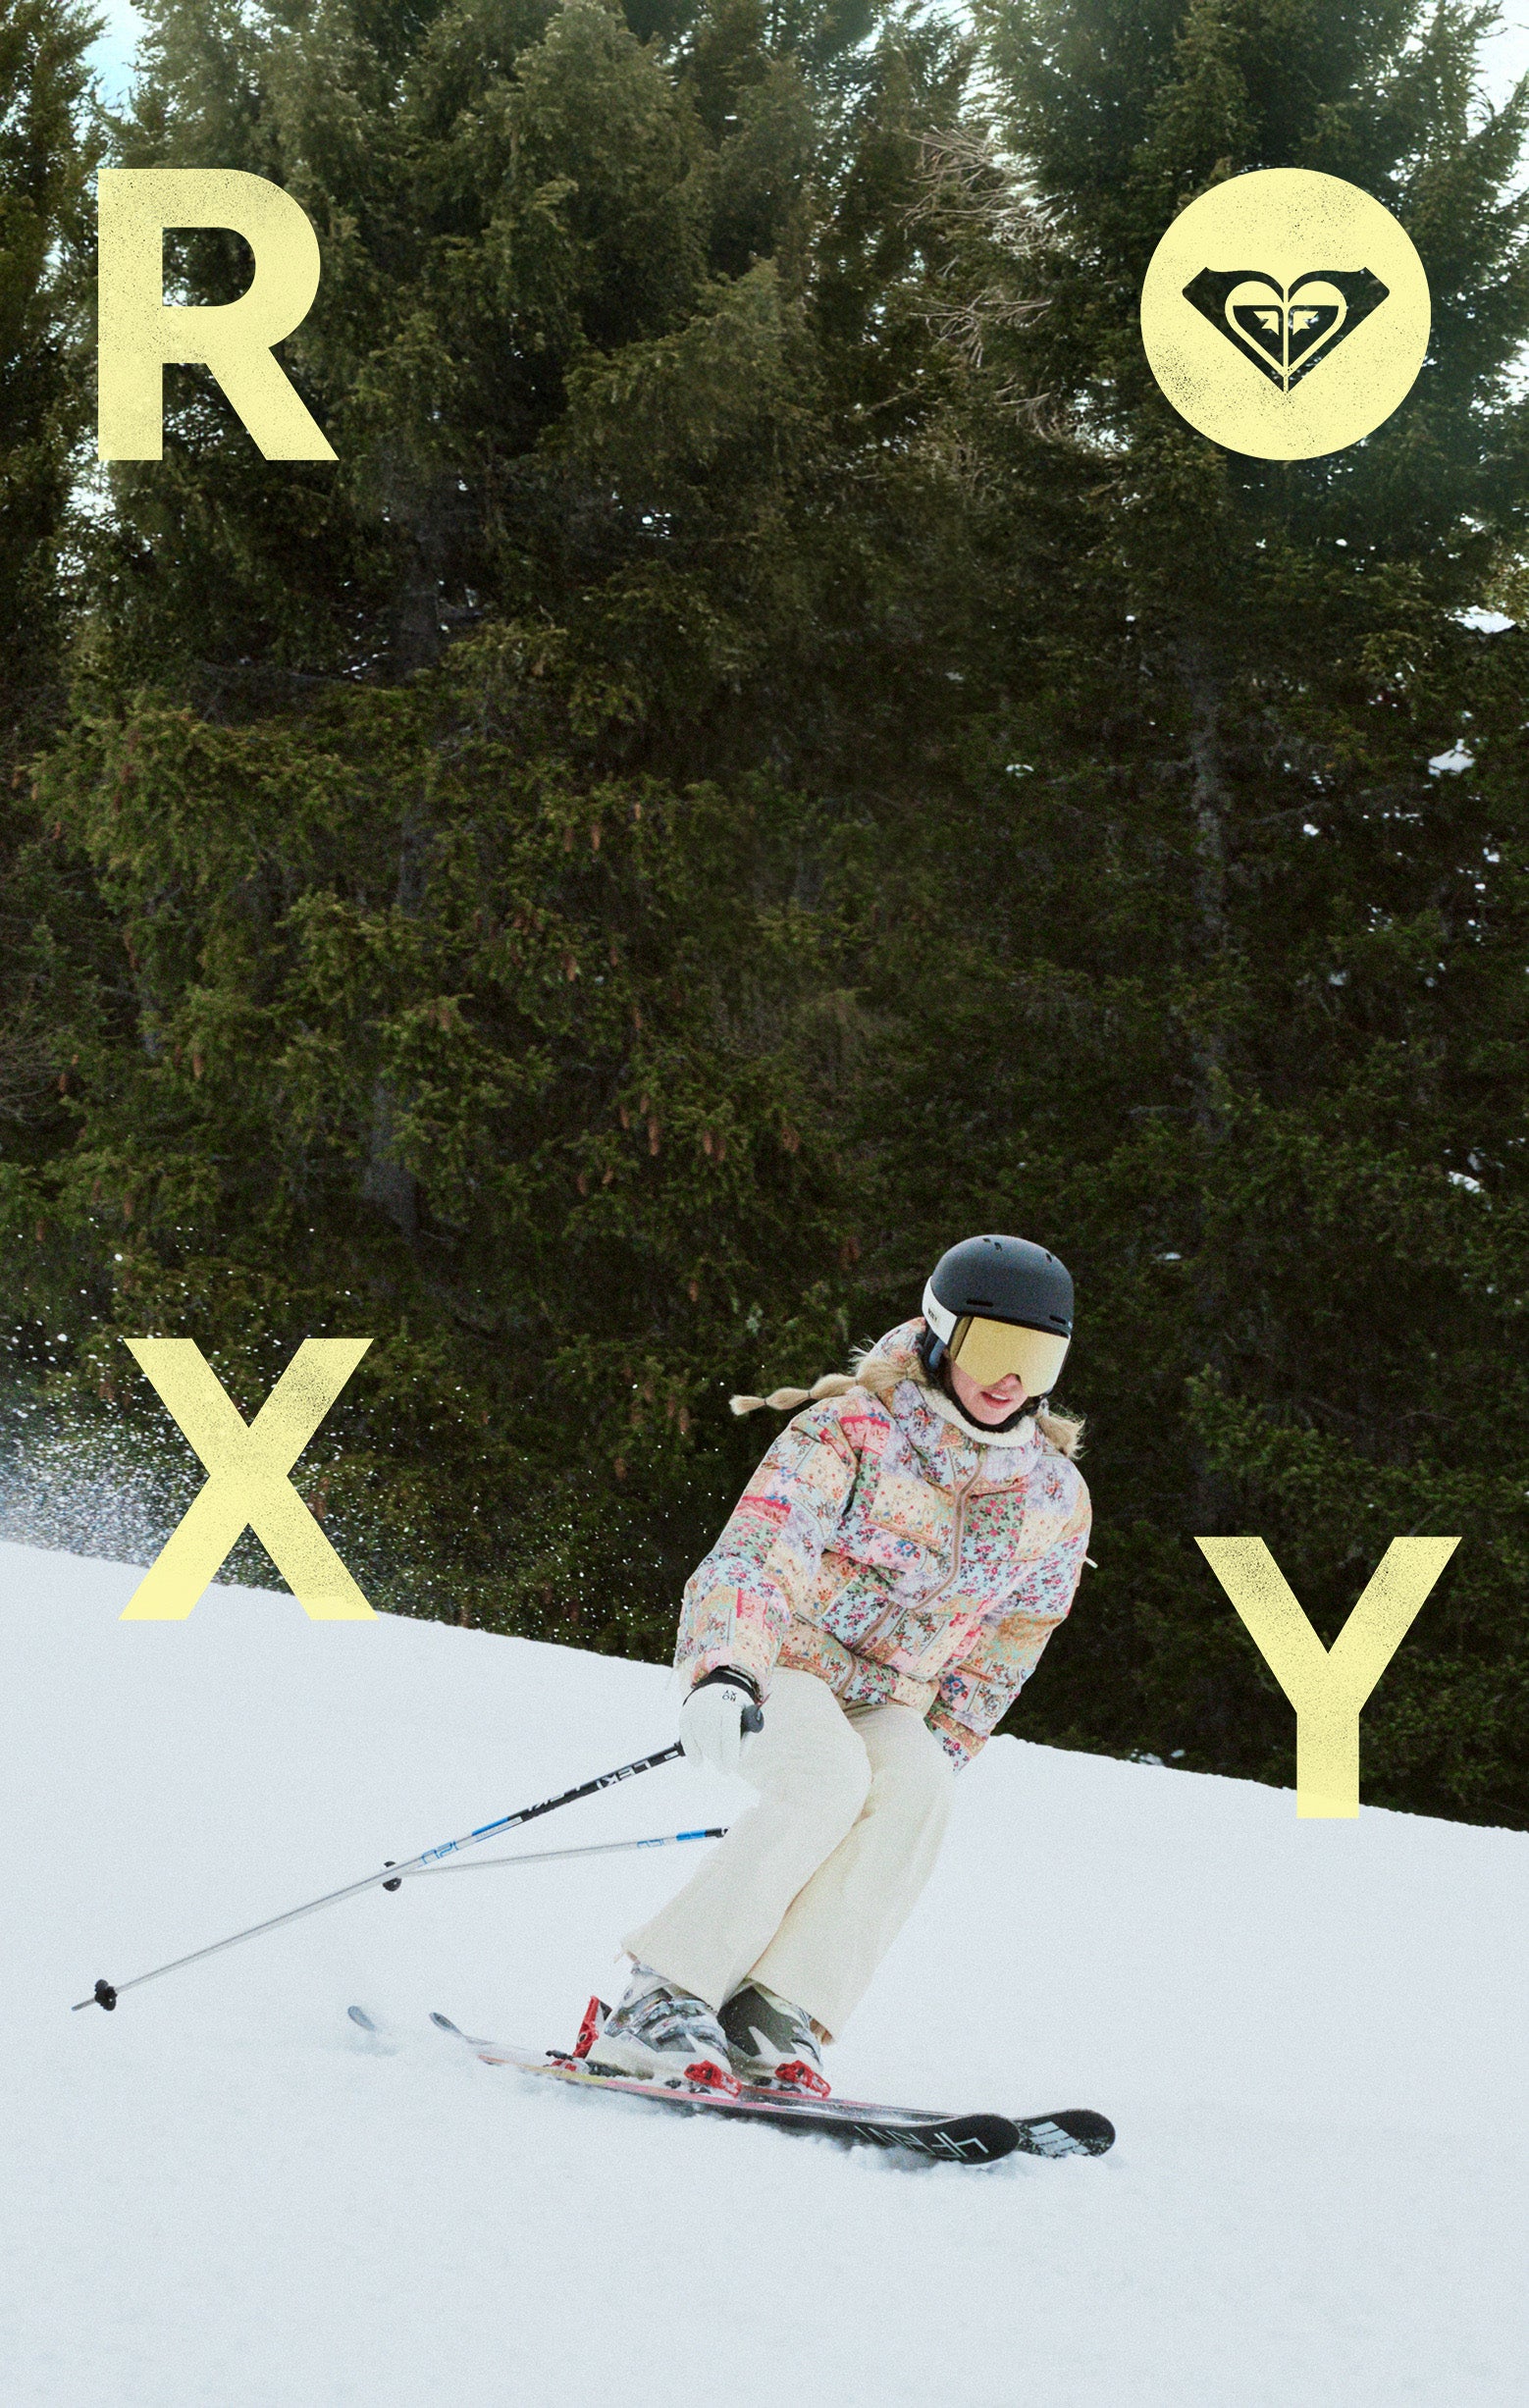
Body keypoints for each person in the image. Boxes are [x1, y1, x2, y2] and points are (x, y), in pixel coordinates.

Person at [586, 1233, 1092, 2097]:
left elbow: (1011, 1645)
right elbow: (758, 1553)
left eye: (1037, 1356)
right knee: (824, 1778)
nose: (1012, 1379)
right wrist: (726, 1671)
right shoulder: (852, 1429)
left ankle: (773, 2010)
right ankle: (658, 1998)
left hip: (890, 1697)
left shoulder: (1052, 1495)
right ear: (940, 1334)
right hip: (776, 1660)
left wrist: (941, 1746)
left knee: (919, 1794)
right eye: (994, 1349)